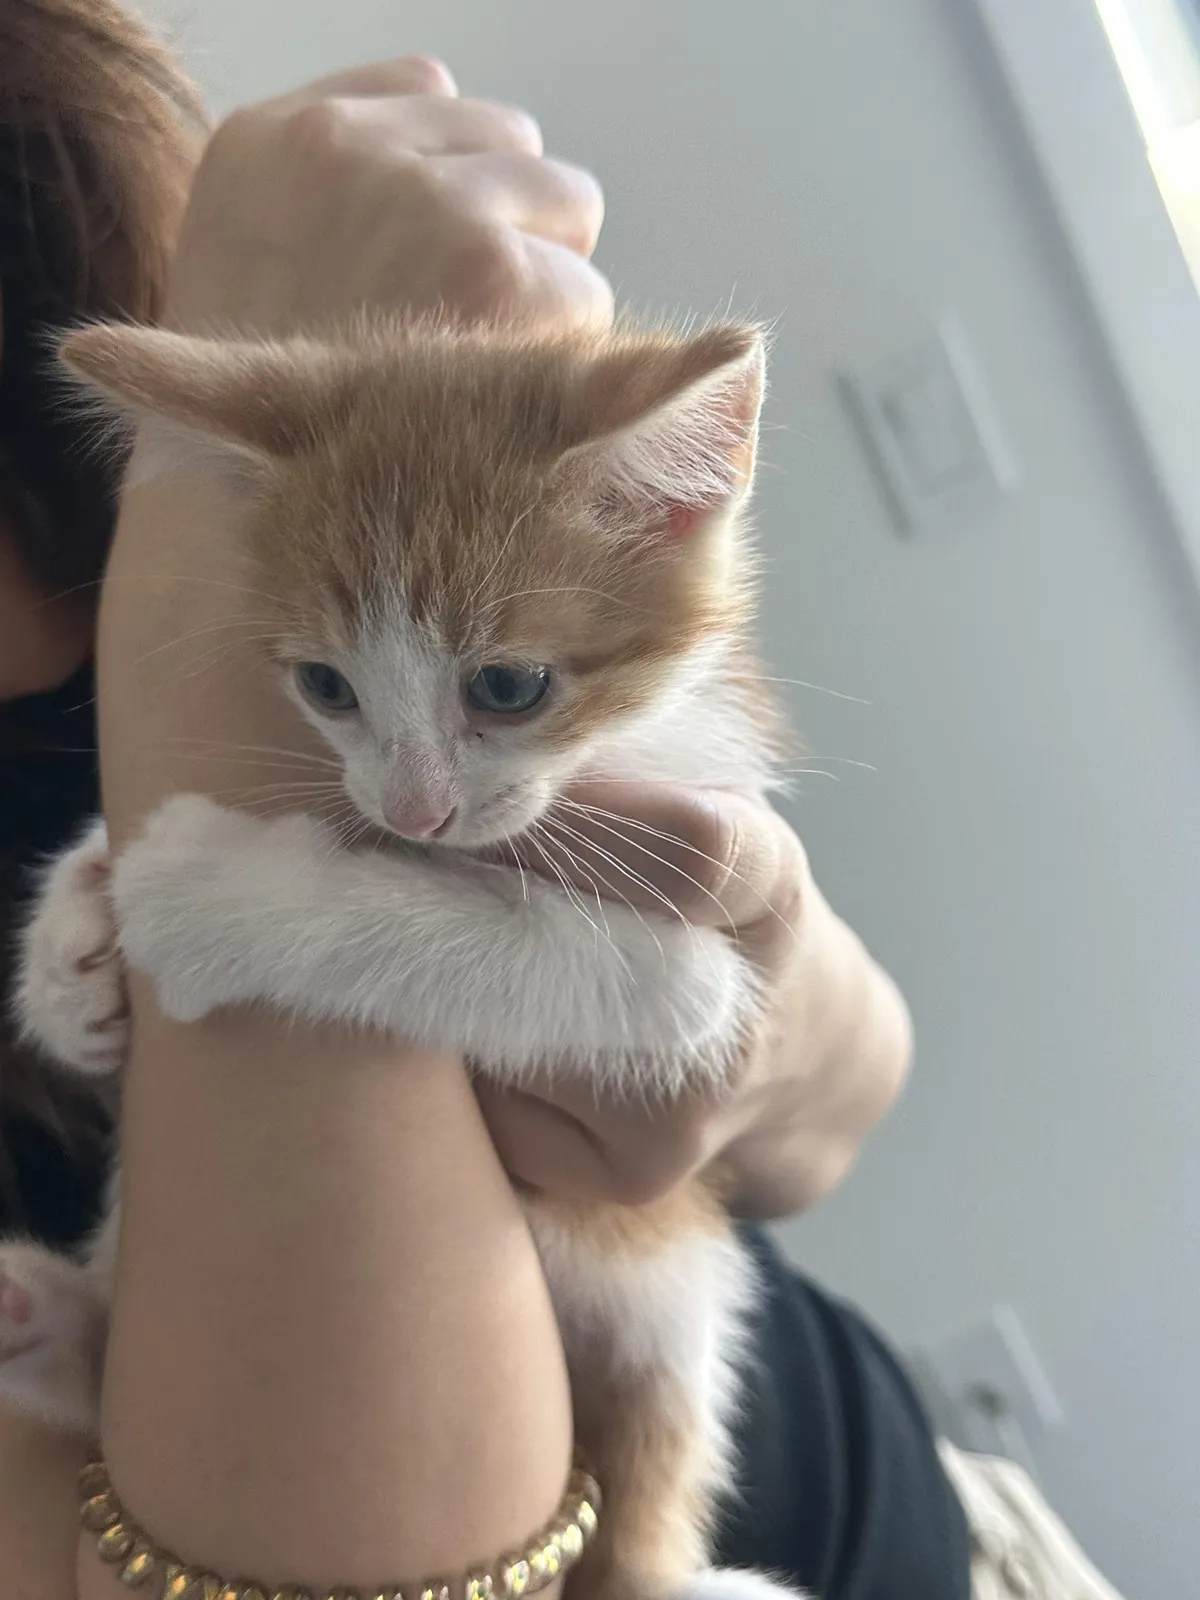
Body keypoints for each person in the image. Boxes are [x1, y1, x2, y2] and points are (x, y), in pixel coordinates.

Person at [0, 4, 1126, 1598]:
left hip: (928, 1516)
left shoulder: (609, 644)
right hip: (426, 1506)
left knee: (679, 1304)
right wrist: (187, 550)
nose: (413, 801)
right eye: (323, 690)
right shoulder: (301, 589)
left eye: (508, 694)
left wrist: (751, 1007)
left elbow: (801, 1081)